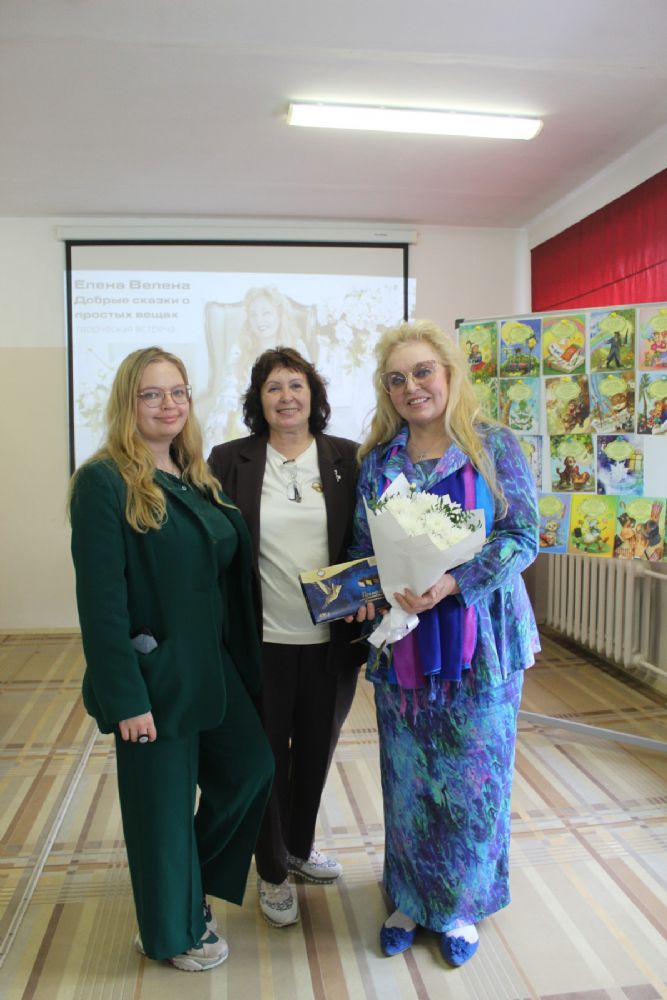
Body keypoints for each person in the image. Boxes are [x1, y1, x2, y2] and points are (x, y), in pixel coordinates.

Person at [68, 347, 274, 972]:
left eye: (178, 391)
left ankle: (185, 887)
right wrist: (126, 698)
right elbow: (100, 605)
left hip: (211, 666)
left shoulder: (194, 474)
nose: (169, 404)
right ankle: (170, 932)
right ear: (127, 403)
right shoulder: (104, 481)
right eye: (152, 394)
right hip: (152, 676)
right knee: (160, 812)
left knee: (251, 769)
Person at [348, 320, 540, 967]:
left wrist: (454, 582)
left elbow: (522, 537)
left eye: (423, 371)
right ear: (387, 391)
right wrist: (370, 591)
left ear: (450, 374)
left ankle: (459, 907)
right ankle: (408, 898)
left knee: (472, 777)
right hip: (402, 639)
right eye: (397, 379)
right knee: (408, 776)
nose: (412, 387)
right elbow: (362, 548)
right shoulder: (379, 461)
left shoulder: (493, 446)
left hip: (481, 641)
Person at [208, 347, 365, 928]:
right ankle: (272, 870)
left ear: (313, 394)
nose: (286, 397)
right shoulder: (231, 460)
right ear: (259, 400)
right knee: (269, 758)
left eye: (296, 385)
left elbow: (366, 539)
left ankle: (298, 848)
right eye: (273, 387)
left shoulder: (348, 457)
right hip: (262, 641)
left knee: (317, 752)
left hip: (333, 641)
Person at [202, 286, 317, 449]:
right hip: (243, 420)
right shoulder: (240, 347)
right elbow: (228, 390)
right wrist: (220, 427)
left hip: (287, 418)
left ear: (279, 315)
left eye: (266, 313)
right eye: (253, 315)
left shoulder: (297, 346)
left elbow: (309, 391)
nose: (259, 321)